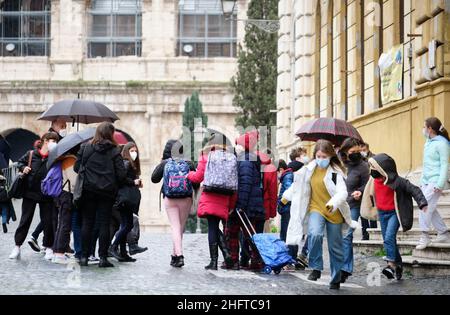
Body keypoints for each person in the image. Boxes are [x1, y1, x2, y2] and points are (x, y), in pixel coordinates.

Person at [283, 140, 358, 290]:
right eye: (318, 155)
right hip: (315, 208)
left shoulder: (336, 172)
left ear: (330, 156)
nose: (321, 159)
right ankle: (316, 267)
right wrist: (285, 197)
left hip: (334, 212)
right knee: (314, 234)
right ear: (314, 155)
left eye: (324, 156)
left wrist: (333, 203)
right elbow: (298, 185)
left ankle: (335, 278)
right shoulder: (308, 170)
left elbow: (342, 192)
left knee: (335, 248)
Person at [361, 154, 428, 280]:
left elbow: (414, 189)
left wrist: (422, 202)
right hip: (382, 213)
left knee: (389, 237)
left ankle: (391, 265)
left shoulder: (397, 181)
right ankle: (399, 265)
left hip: (394, 214)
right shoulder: (372, 181)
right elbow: (368, 193)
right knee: (389, 241)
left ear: (382, 169)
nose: (371, 170)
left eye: (373, 167)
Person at [74, 122, 126, 268]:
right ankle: (103, 258)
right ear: (110, 134)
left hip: (88, 191)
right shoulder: (115, 150)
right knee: (104, 224)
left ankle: (84, 257)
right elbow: (121, 174)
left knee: (87, 223)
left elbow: (77, 167)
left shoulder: (85, 147)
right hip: (107, 193)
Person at [187, 133, 236, 270]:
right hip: (225, 197)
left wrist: (188, 174)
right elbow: (234, 184)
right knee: (216, 228)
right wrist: (231, 204)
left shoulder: (206, 156)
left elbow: (197, 177)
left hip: (210, 195)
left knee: (212, 228)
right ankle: (226, 254)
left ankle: (214, 261)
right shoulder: (231, 158)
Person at [9, 132, 59, 260]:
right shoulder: (31, 154)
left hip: (47, 194)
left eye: (55, 140)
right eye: (50, 140)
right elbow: (19, 163)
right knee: (25, 220)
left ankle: (48, 247)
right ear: (44, 141)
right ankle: (17, 246)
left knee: (48, 221)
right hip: (30, 192)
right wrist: (24, 167)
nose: (52, 143)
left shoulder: (55, 157)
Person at [151, 139, 195, 268]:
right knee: (180, 227)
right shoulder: (189, 163)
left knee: (175, 227)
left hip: (170, 198)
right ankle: (175, 255)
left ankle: (179, 255)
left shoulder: (165, 163)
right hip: (186, 198)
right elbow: (196, 180)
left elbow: (154, 179)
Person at [226, 131, 265, 271]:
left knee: (235, 232)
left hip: (245, 205)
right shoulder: (248, 159)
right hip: (249, 204)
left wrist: (239, 205)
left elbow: (245, 184)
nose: (237, 147)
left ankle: (246, 260)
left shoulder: (245, 161)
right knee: (246, 234)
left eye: (239, 145)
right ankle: (249, 260)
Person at [339, 137, 370, 283]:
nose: (356, 154)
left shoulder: (363, 166)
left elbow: (367, 184)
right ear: (345, 151)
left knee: (347, 235)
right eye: (352, 151)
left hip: (353, 205)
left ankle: (345, 269)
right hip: (337, 204)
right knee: (337, 237)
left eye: (358, 151)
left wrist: (360, 191)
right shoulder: (338, 163)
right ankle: (338, 265)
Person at [416, 117, 450, 249]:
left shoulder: (442, 144)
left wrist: (440, 183)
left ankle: (424, 236)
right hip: (426, 181)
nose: (423, 129)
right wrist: (422, 181)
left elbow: (444, 165)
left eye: (424, 127)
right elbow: (427, 164)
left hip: (436, 181)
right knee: (431, 208)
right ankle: (443, 233)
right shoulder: (429, 142)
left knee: (423, 206)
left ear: (430, 128)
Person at [109, 142, 142, 263]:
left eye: (135, 150)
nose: (134, 153)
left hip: (125, 198)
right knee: (127, 225)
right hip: (124, 198)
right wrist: (134, 182)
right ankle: (113, 247)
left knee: (125, 224)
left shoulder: (129, 164)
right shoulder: (126, 163)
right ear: (127, 151)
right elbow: (121, 179)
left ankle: (123, 253)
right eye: (132, 150)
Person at [52, 154, 77, 264]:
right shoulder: (70, 160)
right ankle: (59, 253)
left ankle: (57, 251)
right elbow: (74, 181)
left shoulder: (64, 159)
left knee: (62, 223)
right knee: (65, 225)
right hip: (68, 195)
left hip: (63, 194)